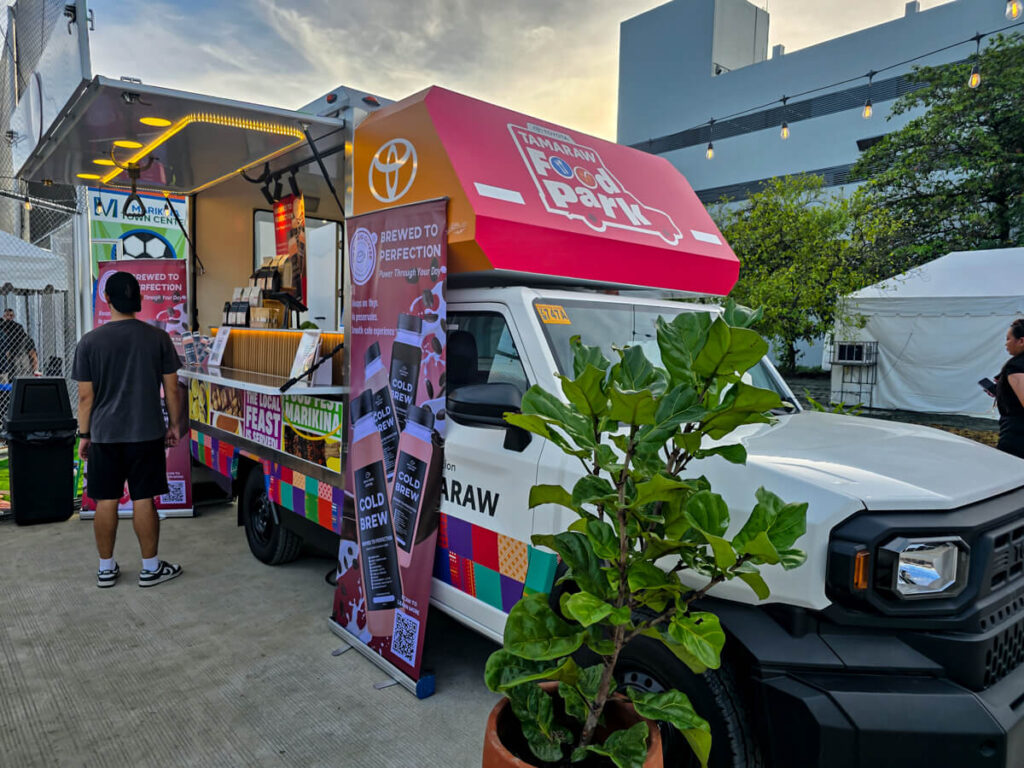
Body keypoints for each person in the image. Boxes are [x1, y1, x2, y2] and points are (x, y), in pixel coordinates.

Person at [72, 272, 184, 588]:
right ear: (140, 300)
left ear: (107, 299)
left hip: (104, 435)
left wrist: (84, 435)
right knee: (143, 498)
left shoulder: (90, 342)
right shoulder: (157, 338)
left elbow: (85, 397)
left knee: (105, 500)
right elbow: (172, 389)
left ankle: (106, 569)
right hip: (146, 432)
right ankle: (151, 568)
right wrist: (174, 425)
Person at [996, 318, 1024, 459]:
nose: (1006, 343)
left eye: (1008, 339)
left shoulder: (1016, 366)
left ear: (1021, 341)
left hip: (1017, 436)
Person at [1, 308, 40, 379]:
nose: (9, 317)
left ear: (13, 317)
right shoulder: (2, 326)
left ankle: (35, 371)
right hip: (9, 350)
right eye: (7, 315)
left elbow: (22, 337)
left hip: (18, 349)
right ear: (4, 316)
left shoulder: (18, 327)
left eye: (11, 315)